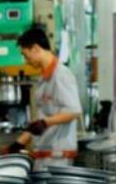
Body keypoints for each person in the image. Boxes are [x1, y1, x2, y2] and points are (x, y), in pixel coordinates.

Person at [5, 26, 82, 166]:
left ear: (35, 49)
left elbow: (73, 111)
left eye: (25, 55)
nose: (26, 61)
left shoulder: (61, 74)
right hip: (45, 153)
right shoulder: (44, 79)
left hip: (58, 156)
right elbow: (41, 120)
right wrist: (19, 143)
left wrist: (45, 122)